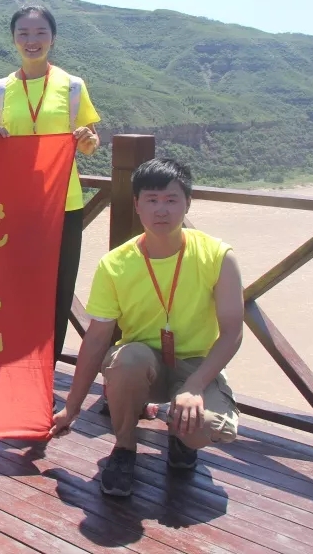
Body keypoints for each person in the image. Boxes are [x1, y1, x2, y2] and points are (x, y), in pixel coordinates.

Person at [50, 158, 244, 498]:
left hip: (195, 366)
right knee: (128, 359)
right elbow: (96, 340)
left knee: (210, 427)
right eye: (151, 200)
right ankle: (124, 448)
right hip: (143, 366)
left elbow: (232, 333)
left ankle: (181, 435)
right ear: (137, 205)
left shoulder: (217, 256)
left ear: (187, 203)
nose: (161, 210)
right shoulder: (115, 264)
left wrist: (195, 385)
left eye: (171, 200)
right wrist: (72, 407)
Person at [0, 5, 100, 364]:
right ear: (13, 39)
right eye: (24, 33)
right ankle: (9, 363)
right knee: (12, 284)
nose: (32, 40)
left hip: (63, 203)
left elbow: (90, 141)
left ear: (53, 37)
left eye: (40, 32)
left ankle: (47, 366)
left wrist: (88, 141)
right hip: (15, 205)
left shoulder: (72, 86)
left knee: (59, 288)